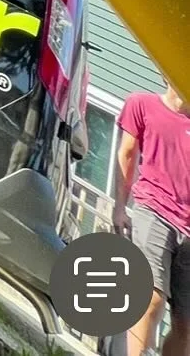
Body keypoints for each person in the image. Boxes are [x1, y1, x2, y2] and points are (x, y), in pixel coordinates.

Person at [114, 77, 190, 356]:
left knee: (186, 326)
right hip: (154, 209)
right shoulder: (142, 104)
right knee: (152, 297)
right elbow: (126, 155)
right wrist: (120, 207)